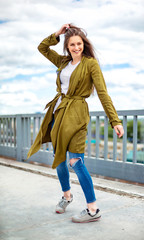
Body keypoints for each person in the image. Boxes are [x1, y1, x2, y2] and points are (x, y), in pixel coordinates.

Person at [27, 23, 124, 223]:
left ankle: (92, 209)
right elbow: (42, 48)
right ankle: (67, 196)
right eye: (72, 45)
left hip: (78, 115)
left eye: (79, 44)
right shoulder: (63, 62)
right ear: (67, 46)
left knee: (75, 161)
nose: (76, 48)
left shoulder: (91, 64)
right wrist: (57, 33)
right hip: (58, 114)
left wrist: (115, 120)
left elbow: (103, 93)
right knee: (59, 159)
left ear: (84, 44)